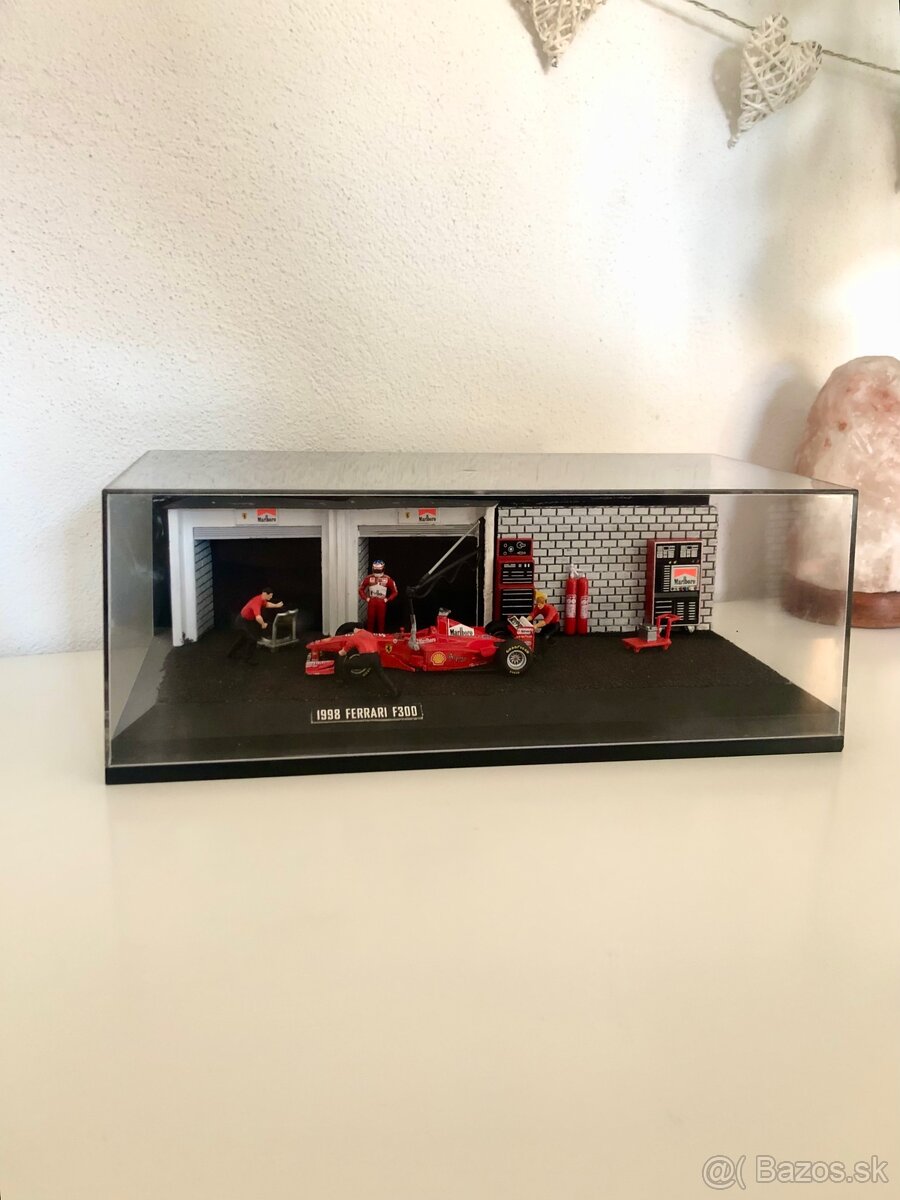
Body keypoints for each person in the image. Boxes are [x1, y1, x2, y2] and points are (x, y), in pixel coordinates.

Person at [337, 627, 399, 697]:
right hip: (376, 656)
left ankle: (346, 682)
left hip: (366, 657)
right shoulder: (370, 634)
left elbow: (343, 652)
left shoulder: (354, 637)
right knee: (382, 675)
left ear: (355, 629)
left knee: (346, 664)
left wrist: (339, 653)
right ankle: (394, 691)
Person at [227, 587, 283, 663]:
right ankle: (247, 659)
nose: (271, 597)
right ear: (265, 594)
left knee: (243, 638)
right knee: (252, 639)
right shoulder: (257, 602)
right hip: (242, 622)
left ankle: (231, 654)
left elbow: (267, 604)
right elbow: (258, 617)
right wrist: (263, 624)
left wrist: (276, 605)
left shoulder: (262, 599)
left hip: (246, 621)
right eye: (270, 595)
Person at [358, 559, 398, 632]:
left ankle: (381, 634)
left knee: (381, 621)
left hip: (382, 601)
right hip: (372, 601)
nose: (377, 572)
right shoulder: (368, 578)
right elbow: (360, 589)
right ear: (373, 569)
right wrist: (366, 598)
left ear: (383, 569)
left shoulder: (387, 579)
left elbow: (395, 592)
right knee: (370, 620)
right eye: (375, 570)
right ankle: (369, 635)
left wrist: (387, 599)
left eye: (379, 570)